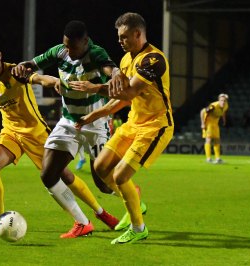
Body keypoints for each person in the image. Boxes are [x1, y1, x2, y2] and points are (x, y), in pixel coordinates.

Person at [0, 40, 118, 238]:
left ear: (0, 56)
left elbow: (40, 79)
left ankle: (101, 212)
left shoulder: (16, 72)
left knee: (65, 176)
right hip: (10, 133)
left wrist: (56, 83)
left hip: (36, 133)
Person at [69, 12, 174, 244]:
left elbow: (128, 92)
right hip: (133, 122)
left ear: (138, 34)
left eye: (124, 37)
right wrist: (94, 115)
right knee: (101, 166)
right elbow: (123, 100)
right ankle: (137, 203)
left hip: (155, 126)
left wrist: (94, 87)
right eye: (119, 37)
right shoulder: (127, 60)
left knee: (120, 174)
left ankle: (139, 229)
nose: (120, 41)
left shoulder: (153, 60)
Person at [12, 20, 118, 199]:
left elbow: (109, 67)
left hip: (95, 124)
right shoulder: (59, 51)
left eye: (73, 47)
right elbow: (33, 64)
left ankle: (133, 199)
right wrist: (22, 66)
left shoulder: (95, 53)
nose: (69, 51)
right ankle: (82, 222)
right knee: (48, 175)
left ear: (85, 41)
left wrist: (116, 73)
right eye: (66, 46)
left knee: (103, 184)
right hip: (69, 122)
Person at [200, 93, 229, 164]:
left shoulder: (226, 106)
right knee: (208, 140)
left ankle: (218, 158)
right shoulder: (213, 106)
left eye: (224, 100)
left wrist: (224, 120)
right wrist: (203, 123)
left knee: (217, 140)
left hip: (215, 124)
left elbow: (223, 112)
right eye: (221, 100)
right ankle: (208, 158)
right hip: (208, 123)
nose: (223, 102)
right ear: (219, 100)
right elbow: (202, 112)